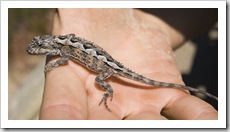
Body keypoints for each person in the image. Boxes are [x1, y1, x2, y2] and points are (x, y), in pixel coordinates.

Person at [39, 8, 218, 120]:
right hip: (107, 61)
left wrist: (52, 65)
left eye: (40, 47)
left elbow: (63, 60)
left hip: (105, 67)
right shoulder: (63, 44)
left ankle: (109, 90)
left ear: (49, 44)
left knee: (99, 82)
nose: (38, 50)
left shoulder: (63, 50)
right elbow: (69, 40)